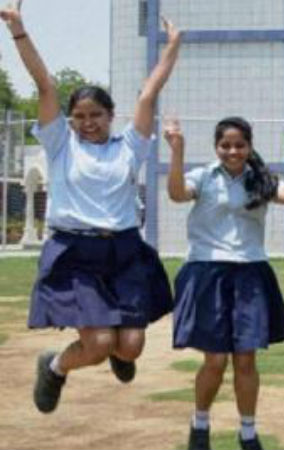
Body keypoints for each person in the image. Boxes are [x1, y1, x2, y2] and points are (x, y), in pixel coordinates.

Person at [0, 0, 179, 413]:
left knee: (130, 347)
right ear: (70, 120)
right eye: (79, 116)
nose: (88, 122)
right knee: (97, 344)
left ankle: (119, 351)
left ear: (111, 116)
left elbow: (149, 94)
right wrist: (18, 30)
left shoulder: (130, 147)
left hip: (124, 251)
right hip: (75, 253)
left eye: (96, 114)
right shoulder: (60, 145)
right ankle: (55, 367)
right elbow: (45, 85)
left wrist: (172, 46)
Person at [164, 117, 284, 450]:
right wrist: (177, 151)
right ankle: (200, 424)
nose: (232, 151)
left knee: (246, 359)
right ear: (216, 147)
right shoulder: (203, 176)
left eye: (239, 145)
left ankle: (248, 432)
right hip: (207, 272)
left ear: (249, 146)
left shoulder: (261, 179)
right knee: (215, 360)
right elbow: (176, 193)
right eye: (225, 145)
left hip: (250, 273)